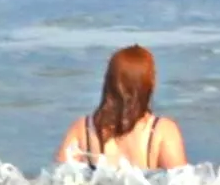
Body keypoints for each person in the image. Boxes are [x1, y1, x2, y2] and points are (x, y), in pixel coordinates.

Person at [57, 44, 190, 172]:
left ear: (108, 81)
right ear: (149, 84)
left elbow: (58, 177)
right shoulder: (161, 130)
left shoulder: (83, 129)